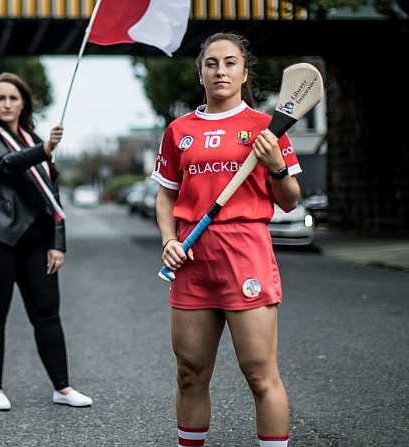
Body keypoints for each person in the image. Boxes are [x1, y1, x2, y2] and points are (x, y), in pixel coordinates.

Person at [152, 33, 302, 447]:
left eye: (230, 62)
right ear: (200, 73)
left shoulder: (268, 129)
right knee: (190, 372)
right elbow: (165, 195)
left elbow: (290, 201)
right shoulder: (179, 131)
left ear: (244, 72)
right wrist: (168, 238)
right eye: (212, 63)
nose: (220, 70)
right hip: (191, 257)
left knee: (260, 373)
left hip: (245, 252)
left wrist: (276, 167)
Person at [0, 72, 92, 411]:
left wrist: (58, 243)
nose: (7, 104)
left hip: (36, 243)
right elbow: (4, 165)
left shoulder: (32, 138)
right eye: (0, 98)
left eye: (13, 98)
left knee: (48, 315)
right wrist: (44, 149)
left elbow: (53, 195)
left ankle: (62, 388)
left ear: (24, 103)